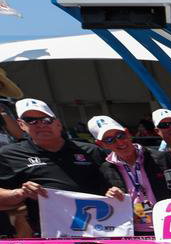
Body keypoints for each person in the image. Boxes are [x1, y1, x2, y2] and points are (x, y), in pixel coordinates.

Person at [0, 98, 112, 236]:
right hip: (49, 237)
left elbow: (115, 184)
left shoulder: (91, 151)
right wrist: (20, 193)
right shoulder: (9, 155)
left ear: (58, 123)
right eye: (31, 120)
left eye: (46, 120)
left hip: (100, 230)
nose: (40, 125)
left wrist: (114, 191)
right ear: (21, 124)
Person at [90, 115, 171, 236]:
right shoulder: (104, 170)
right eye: (109, 140)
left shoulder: (162, 158)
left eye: (120, 135)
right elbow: (102, 208)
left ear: (128, 133)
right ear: (101, 144)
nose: (119, 142)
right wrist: (108, 196)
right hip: (133, 232)